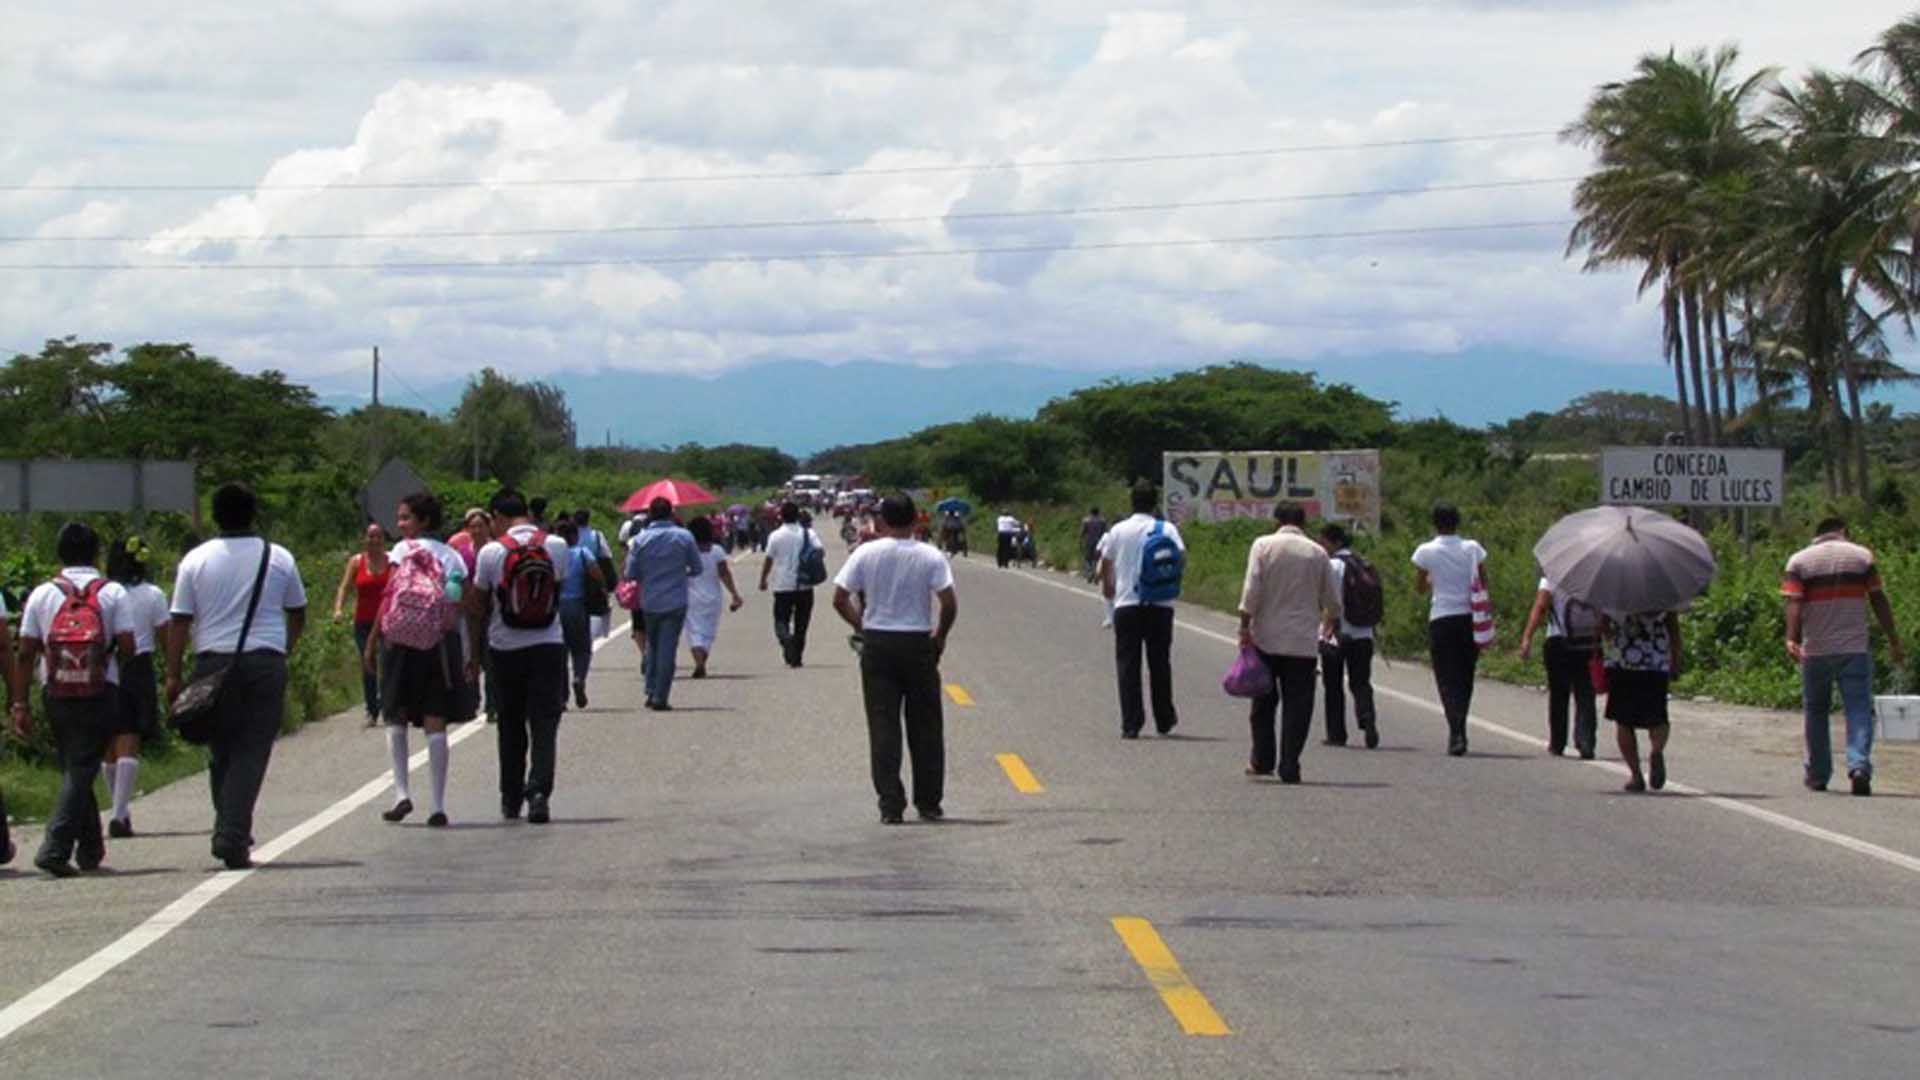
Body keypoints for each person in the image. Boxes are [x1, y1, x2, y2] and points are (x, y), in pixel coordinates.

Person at [166, 483, 308, 869]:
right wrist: (283, 649)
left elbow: (179, 622)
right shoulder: (277, 557)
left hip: (212, 662)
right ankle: (231, 833)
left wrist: (173, 675)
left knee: (221, 748)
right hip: (264, 661)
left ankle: (230, 827)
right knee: (251, 749)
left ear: (215, 516)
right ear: (253, 513)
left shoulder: (195, 560)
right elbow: (298, 612)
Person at [14, 522, 138, 877]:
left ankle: (90, 848)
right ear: (96, 553)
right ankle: (55, 846)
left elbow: (25, 652)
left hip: (55, 691)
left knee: (75, 762)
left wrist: (20, 703)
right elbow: (129, 646)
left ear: (59, 553)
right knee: (83, 764)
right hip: (101, 690)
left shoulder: (42, 594)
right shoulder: (112, 591)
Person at [832, 494, 958, 824]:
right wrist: (940, 635)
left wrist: (862, 625)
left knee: (883, 725)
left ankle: (891, 803)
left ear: (882, 521)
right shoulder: (930, 555)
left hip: (878, 643)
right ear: (916, 519)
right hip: (917, 642)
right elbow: (948, 602)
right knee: (926, 726)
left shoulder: (866, 553)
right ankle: (928, 801)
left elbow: (839, 597)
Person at [1784, 517, 1907, 796]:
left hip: (1815, 650)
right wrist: (1893, 640)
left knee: (1816, 710)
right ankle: (1859, 766)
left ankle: (1818, 774)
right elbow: (1878, 599)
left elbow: (1795, 602)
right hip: (1854, 648)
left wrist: (1792, 637)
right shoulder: (1862, 557)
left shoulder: (1799, 561)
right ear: (1844, 533)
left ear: (1817, 534)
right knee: (1858, 709)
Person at [469, 489, 571, 824]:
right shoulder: (556, 546)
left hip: (505, 647)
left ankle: (511, 797)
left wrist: (474, 654)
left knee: (510, 725)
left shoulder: (491, 553)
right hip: (549, 644)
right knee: (544, 722)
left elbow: (479, 607)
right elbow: (558, 591)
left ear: (497, 516)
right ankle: (539, 791)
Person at [366, 492, 468, 828]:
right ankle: (438, 804)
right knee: (435, 719)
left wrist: (373, 640)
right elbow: (458, 604)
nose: (400, 524)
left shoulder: (402, 550)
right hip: (437, 644)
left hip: (399, 643)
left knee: (395, 715)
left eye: (406, 517)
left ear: (422, 521)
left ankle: (401, 793)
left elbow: (390, 593)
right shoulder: (452, 555)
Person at [1237, 503, 1341, 782]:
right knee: (1298, 705)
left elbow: (1252, 589)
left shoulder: (1263, 545)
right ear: (1303, 523)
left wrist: (1244, 626)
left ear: (1277, 521)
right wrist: (1333, 621)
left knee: (1263, 703)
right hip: (1302, 641)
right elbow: (1332, 599)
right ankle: (1290, 764)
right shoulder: (1317, 552)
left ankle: (1262, 759)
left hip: (1266, 637)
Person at [1099, 483, 1183, 738]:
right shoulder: (1166, 528)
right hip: (1159, 604)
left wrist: (1109, 589)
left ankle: (1131, 723)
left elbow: (1106, 561)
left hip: (1126, 604)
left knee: (1128, 664)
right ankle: (1164, 718)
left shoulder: (1118, 530)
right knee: (1159, 663)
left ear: (1132, 502)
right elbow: (1180, 556)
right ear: (1154, 502)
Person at [103, 536, 172, 836]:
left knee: (109, 741)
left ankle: (121, 810)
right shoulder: (153, 594)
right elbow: (165, 635)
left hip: (106, 665)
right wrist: (172, 671)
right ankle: (119, 813)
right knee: (130, 739)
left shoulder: (104, 593)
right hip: (138, 665)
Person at [1412, 503, 1487, 756]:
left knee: (1445, 677)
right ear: (1458, 521)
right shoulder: (1472, 548)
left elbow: (1420, 588)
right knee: (1465, 675)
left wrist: (1433, 579)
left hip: (1441, 617)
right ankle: (1461, 725)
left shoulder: (1426, 551)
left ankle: (1455, 730)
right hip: (1469, 618)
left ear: (1435, 523)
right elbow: (1483, 582)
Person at [626, 497, 704, 710]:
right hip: (676, 599)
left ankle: (650, 689)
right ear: (671, 513)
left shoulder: (640, 540)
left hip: (649, 600)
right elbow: (697, 568)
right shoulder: (684, 537)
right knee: (668, 648)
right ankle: (661, 695)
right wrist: (681, 572)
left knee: (652, 645)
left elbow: (630, 573)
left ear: (650, 514)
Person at [1517, 576, 1600, 759]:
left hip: (1557, 640)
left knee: (1559, 694)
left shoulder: (1551, 578)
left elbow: (1540, 607)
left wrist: (1527, 637)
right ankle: (1586, 741)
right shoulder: (1591, 577)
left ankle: (1557, 743)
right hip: (1586, 642)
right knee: (1585, 692)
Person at [1602, 609, 1683, 792]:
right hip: (1655, 662)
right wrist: (1676, 659)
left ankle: (1636, 775)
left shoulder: (1613, 595)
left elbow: (1603, 626)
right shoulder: (1664, 595)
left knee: (1624, 722)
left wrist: (1612, 637)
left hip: (1623, 662)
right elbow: (1673, 629)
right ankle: (1657, 750)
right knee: (1658, 717)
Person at [1319, 523, 1381, 750]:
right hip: (1363, 633)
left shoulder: (1333, 565)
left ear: (1334, 542)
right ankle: (1367, 717)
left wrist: (1325, 630)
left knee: (1333, 684)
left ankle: (1336, 734)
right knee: (1361, 681)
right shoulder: (1364, 563)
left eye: (1324, 542)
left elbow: (1329, 602)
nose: (1321, 546)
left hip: (1337, 632)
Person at [332, 523, 391, 728]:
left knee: (386, 661)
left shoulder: (391, 561)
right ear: (364, 539)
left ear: (384, 539)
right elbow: (344, 587)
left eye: (378, 536)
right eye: (371, 536)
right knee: (368, 663)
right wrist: (338, 609)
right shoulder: (357, 562)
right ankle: (371, 709)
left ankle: (388, 705)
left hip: (387, 620)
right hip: (363, 621)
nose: (374, 540)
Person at [760, 501, 826, 668]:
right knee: (801, 623)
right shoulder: (808, 533)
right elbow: (820, 551)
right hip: (804, 584)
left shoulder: (775, 535)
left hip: (782, 585)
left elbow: (769, 559)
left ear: (780, 516)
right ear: (798, 516)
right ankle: (797, 657)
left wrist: (763, 579)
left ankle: (786, 639)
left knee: (781, 620)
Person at [686, 516, 745, 679]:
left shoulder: (685, 551)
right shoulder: (717, 551)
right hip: (712, 597)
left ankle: (698, 661)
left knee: (693, 631)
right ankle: (701, 661)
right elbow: (724, 574)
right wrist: (734, 594)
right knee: (708, 631)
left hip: (690, 596)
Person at [556, 519, 606, 710]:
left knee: (560, 652)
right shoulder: (583, 553)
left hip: (557, 607)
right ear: (575, 536)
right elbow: (597, 574)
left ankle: (561, 697)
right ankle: (579, 678)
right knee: (582, 648)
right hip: (578, 605)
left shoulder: (553, 555)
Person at [573, 508, 616, 640]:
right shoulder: (597, 535)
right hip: (593, 576)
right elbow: (607, 555)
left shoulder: (571, 535)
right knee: (593, 610)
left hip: (574, 575)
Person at [1079, 507, 1108, 582]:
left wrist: (1081, 541)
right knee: (1097, 559)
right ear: (1098, 512)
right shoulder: (1103, 521)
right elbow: (1106, 532)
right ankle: (1096, 574)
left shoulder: (1086, 521)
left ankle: (1089, 574)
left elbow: (1082, 532)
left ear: (1090, 512)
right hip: (1099, 542)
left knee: (1088, 559)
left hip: (1089, 542)